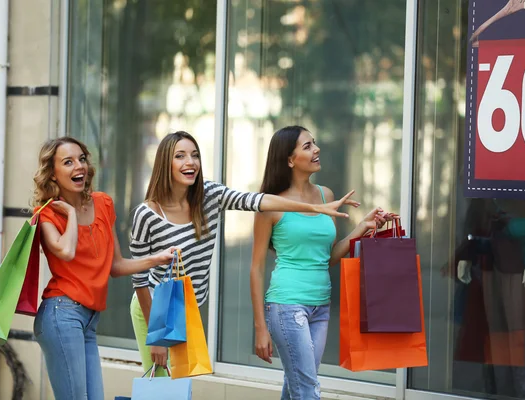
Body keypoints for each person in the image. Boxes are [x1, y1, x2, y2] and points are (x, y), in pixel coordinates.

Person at [129, 130, 359, 376]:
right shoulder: (147, 214)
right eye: (180, 156)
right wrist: (156, 336)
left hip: (187, 309)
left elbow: (257, 201)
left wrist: (314, 207)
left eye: (195, 155)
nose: (190, 162)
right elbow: (140, 280)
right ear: (165, 163)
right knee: (162, 386)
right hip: (154, 308)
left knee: (179, 386)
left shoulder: (209, 196)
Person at [249, 126, 392, 400]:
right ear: (289, 160)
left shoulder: (326, 195)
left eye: (314, 143)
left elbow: (327, 258)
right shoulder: (271, 205)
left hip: (320, 308)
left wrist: (362, 227)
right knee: (308, 390)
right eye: (307, 146)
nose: (316, 149)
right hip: (287, 306)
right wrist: (260, 327)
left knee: (296, 388)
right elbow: (255, 268)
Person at [32, 137, 178, 400]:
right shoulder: (47, 215)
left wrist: (157, 258)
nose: (80, 166)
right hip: (61, 315)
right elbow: (66, 250)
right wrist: (72, 214)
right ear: (52, 174)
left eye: (82, 159)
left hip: (89, 320)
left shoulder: (103, 204)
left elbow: (116, 265)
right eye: (68, 162)